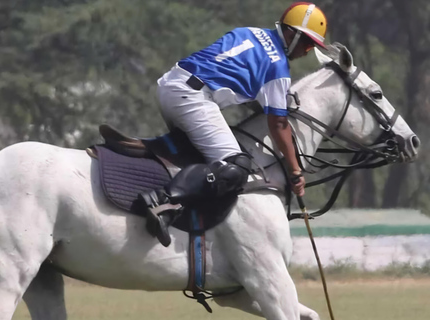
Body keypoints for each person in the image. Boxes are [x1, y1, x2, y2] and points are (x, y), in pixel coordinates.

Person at [139, 2, 328, 247]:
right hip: (191, 98)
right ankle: (162, 201)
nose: (308, 51)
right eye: (308, 43)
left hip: (170, 84)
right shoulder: (278, 67)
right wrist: (295, 171)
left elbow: (234, 79)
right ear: (291, 34)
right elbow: (279, 124)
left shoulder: (249, 32)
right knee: (236, 166)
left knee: (201, 160)